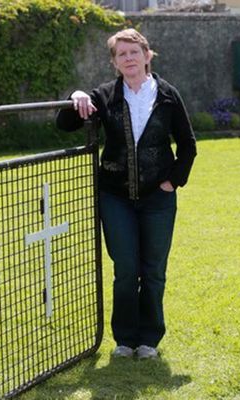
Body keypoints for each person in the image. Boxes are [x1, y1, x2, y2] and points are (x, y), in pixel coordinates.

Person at [56, 28, 197, 360]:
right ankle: (125, 339)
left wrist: (172, 182)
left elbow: (188, 146)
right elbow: (65, 125)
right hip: (115, 196)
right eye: (122, 54)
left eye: (134, 52)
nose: (129, 59)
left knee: (153, 269)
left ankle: (149, 339)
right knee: (125, 269)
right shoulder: (105, 95)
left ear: (147, 56)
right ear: (115, 62)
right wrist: (75, 95)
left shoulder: (167, 95)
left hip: (158, 200)